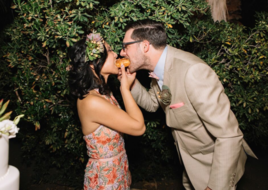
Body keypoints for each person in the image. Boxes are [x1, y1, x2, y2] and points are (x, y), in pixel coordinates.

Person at [119, 20, 257, 190]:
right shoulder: (160, 69)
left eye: (125, 46)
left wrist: (215, 187)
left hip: (213, 167)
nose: (122, 52)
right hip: (190, 164)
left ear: (145, 46)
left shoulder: (193, 72)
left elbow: (229, 135)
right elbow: (152, 104)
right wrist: (129, 84)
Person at [68, 32, 145, 190]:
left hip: (118, 170)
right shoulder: (92, 102)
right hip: (105, 180)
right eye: (109, 51)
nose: (115, 54)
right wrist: (125, 89)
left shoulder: (102, 93)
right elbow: (138, 127)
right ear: (93, 64)